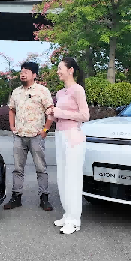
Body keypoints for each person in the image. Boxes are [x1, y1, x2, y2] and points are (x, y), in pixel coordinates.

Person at [4, 61, 55, 211]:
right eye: (21, 71)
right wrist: (12, 126)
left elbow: (50, 111)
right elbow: (11, 109)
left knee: (41, 168)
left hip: (36, 136)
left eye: (26, 71)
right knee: (17, 169)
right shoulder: (16, 92)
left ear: (34, 75)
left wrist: (45, 130)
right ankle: (16, 197)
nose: (22, 74)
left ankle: (44, 198)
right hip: (19, 136)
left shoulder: (42, 91)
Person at [46, 57, 89, 234]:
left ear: (70, 70)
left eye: (60, 68)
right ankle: (67, 214)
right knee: (62, 177)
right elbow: (61, 116)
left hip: (73, 136)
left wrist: (60, 112)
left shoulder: (78, 90)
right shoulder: (60, 93)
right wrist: (53, 115)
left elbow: (85, 116)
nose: (57, 71)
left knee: (73, 178)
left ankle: (74, 220)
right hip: (60, 134)